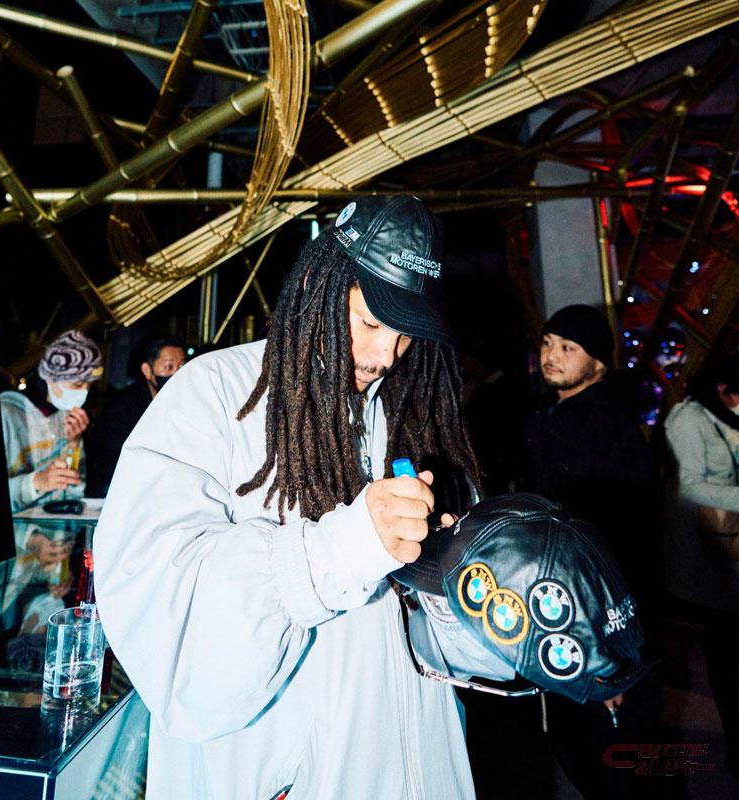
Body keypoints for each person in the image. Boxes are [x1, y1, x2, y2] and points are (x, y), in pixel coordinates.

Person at [94, 195, 516, 800]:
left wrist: (476, 593)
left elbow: (442, 652)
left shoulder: (416, 415)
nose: (385, 356)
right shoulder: (215, 393)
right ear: (319, 287)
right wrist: (341, 551)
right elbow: (164, 620)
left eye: (405, 335)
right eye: (371, 322)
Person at [518, 304, 662, 800]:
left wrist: (612, 658)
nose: (552, 356)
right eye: (547, 342)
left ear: (598, 363)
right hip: (568, 617)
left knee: (615, 768)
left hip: (602, 629)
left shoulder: (606, 426)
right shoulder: (553, 414)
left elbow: (623, 545)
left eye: (568, 348)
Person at [665, 356, 739, 778]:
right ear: (722, 389)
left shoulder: (724, 417)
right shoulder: (688, 418)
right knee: (725, 651)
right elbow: (690, 487)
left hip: (727, 548)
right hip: (706, 552)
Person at [0, 330, 102, 512]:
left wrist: (74, 445)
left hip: (53, 524)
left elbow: (73, 490)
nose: (84, 392)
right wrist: (36, 482)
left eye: (89, 385)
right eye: (77, 384)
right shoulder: (6, 413)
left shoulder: (66, 416)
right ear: (50, 378)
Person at [86, 334, 186, 498]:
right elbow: (114, 461)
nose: (178, 374)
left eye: (182, 366)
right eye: (169, 367)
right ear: (147, 370)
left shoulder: (184, 403)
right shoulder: (122, 408)